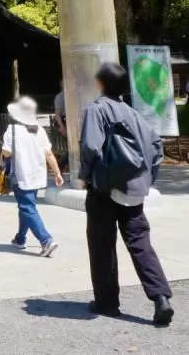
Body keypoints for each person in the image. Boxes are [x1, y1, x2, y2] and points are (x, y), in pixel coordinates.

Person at [79, 62, 173, 326]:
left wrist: (85, 176)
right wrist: (146, 180)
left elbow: (91, 147)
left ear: (101, 83)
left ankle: (107, 302)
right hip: (134, 189)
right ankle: (161, 297)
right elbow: (156, 147)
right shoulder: (134, 114)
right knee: (140, 242)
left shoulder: (96, 109)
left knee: (102, 244)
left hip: (105, 188)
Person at [1, 96, 63, 256]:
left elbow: (6, 152)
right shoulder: (39, 130)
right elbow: (49, 153)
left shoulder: (12, 130)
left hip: (21, 175)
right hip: (38, 175)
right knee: (26, 207)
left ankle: (46, 240)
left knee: (27, 208)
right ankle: (20, 238)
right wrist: (57, 172)